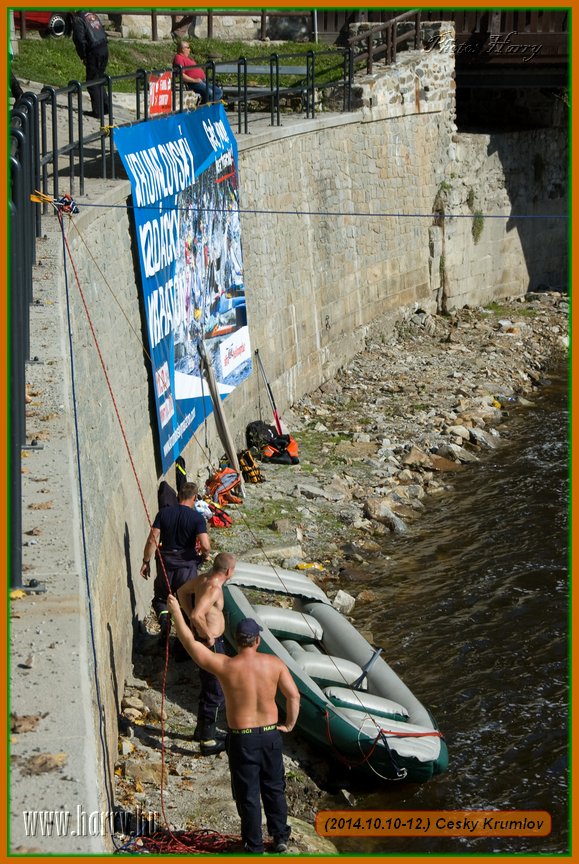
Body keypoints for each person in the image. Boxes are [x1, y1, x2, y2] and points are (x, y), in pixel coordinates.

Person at [168, 595, 300, 854]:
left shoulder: (226, 666)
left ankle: (254, 844)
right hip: (271, 734)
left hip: (243, 737)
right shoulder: (274, 664)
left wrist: (175, 612)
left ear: (237, 642)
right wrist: (289, 724)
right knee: (274, 786)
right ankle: (280, 837)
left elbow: (190, 644)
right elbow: (293, 696)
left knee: (248, 792)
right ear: (257, 641)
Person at [176, 552, 236, 754]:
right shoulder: (213, 587)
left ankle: (201, 731)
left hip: (207, 639)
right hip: (211, 643)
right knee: (215, 689)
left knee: (208, 685)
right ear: (228, 571)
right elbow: (197, 613)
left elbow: (181, 592)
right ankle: (208, 741)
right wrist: (208, 634)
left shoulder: (203, 578)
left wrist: (193, 623)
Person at [140, 481, 210, 645]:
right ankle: (182, 644)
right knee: (186, 605)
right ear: (194, 497)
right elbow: (205, 545)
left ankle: (165, 620)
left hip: (165, 564)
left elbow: (152, 539)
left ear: (178, 495)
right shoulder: (197, 518)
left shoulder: (163, 513)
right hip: (186, 568)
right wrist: (205, 555)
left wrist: (145, 561)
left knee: (161, 599)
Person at [70, 10, 109, 117]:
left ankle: (97, 111)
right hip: (104, 47)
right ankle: (106, 107)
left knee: (91, 82)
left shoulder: (78, 19)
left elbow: (79, 40)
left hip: (94, 50)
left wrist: (83, 56)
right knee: (99, 78)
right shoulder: (91, 14)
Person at [172, 39, 222, 105]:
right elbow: (181, 75)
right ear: (183, 49)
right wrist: (195, 80)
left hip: (201, 81)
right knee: (210, 93)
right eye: (188, 48)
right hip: (193, 83)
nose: (190, 50)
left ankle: (208, 108)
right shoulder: (179, 58)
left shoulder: (188, 58)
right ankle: (206, 110)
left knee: (218, 91)